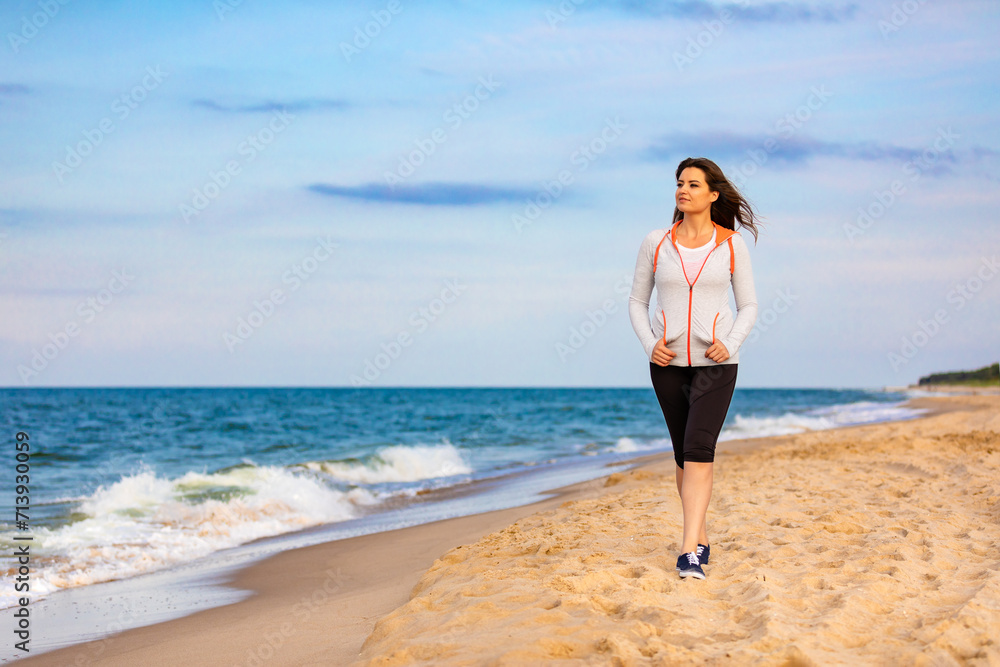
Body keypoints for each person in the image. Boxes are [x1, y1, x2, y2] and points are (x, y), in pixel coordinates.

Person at [628, 157, 760, 580]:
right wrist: (651, 345)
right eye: (680, 183)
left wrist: (731, 342)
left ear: (713, 194)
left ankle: (688, 552)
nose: (683, 190)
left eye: (693, 184)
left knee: (701, 450)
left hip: (716, 366)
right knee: (684, 458)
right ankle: (699, 535)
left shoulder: (731, 245)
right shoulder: (656, 242)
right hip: (667, 366)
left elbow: (750, 305)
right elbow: (636, 302)